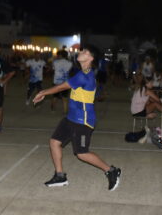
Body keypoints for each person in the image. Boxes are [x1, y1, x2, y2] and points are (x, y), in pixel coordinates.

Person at [33, 46, 122, 191]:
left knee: (81, 153)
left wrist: (43, 92)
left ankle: (112, 171)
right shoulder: (82, 72)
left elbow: (63, 87)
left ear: (91, 59)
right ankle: (60, 176)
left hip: (83, 121)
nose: (81, 53)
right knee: (54, 142)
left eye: (85, 52)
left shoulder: (85, 75)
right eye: (82, 51)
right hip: (71, 118)